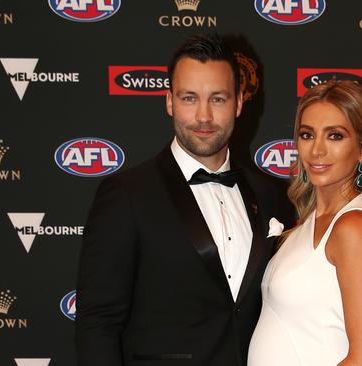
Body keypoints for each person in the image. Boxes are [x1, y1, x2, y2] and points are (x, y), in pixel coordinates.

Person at [75, 34, 284, 366]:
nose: (203, 116)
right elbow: (97, 324)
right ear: (169, 101)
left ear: (239, 103)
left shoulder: (265, 192)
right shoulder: (127, 194)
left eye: (218, 99)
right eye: (189, 98)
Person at [248, 81, 362, 366]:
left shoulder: (353, 226)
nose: (316, 150)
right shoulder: (312, 220)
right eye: (307, 135)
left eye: (334, 136)